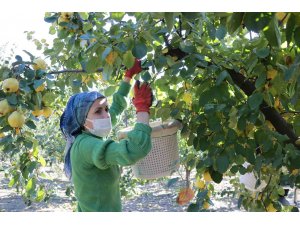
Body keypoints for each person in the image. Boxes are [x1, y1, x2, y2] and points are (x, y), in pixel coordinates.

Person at [59, 59, 153, 212]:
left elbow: (116, 108)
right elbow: (135, 149)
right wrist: (142, 108)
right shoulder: (86, 145)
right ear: (82, 119)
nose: (106, 115)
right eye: (98, 111)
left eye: (106, 109)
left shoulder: (90, 132)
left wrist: (128, 77)